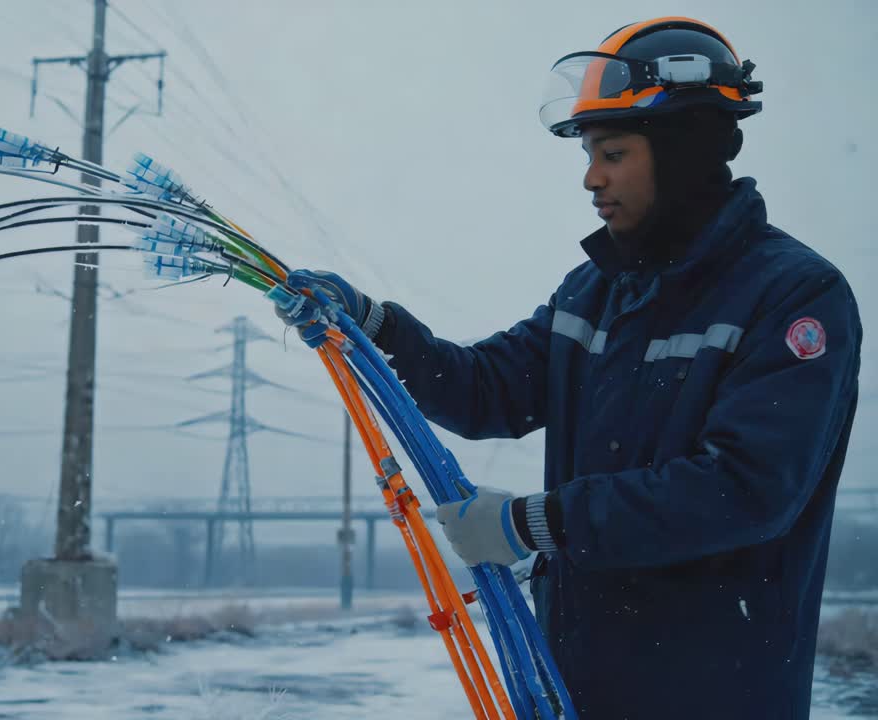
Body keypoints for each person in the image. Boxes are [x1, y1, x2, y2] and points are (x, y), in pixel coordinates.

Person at [276, 17, 862, 718]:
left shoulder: (794, 297)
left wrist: (533, 523)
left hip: (716, 688)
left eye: (612, 152)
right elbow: (485, 391)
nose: (591, 178)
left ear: (682, 151)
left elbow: (744, 490)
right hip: (575, 682)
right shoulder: (597, 291)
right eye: (590, 154)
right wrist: (372, 324)